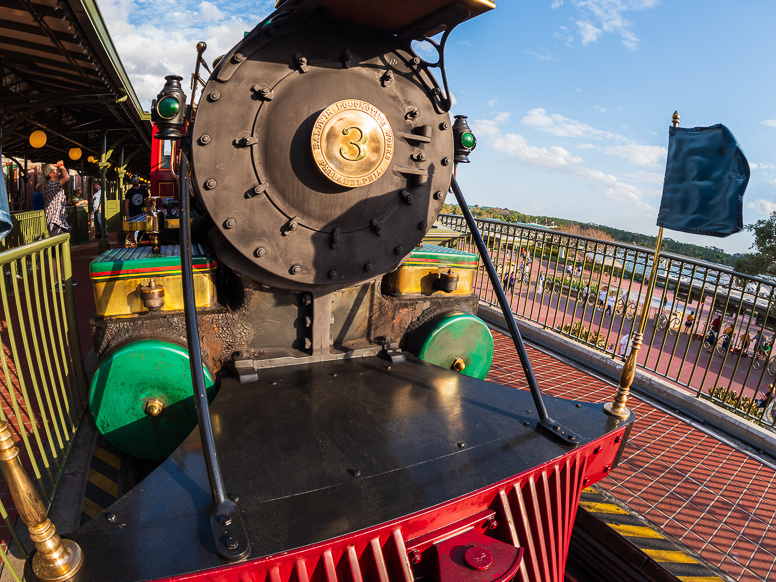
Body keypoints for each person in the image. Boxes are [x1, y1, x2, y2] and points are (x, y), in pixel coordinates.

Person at [42, 161, 70, 234]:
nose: (58, 169)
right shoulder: (51, 185)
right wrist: (61, 165)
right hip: (55, 222)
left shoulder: (54, 185)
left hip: (59, 221)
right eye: (55, 169)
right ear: (51, 175)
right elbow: (66, 177)